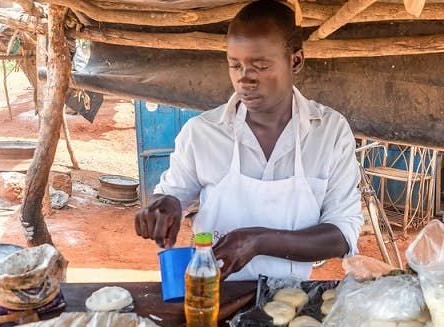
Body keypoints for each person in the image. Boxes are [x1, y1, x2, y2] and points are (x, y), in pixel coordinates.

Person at [134, 0, 363, 281]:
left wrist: (259, 242)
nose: (245, 79)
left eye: (260, 66)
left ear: (296, 61)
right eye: (235, 65)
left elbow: (342, 233)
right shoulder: (202, 132)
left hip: (288, 300)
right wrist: (164, 205)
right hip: (213, 293)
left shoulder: (329, 132)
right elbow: (173, 196)